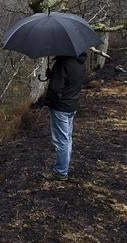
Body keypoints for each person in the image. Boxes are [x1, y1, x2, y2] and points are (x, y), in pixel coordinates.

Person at [43, 52, 87, 181]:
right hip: (72, 105)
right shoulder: (80, 63)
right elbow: (70, 82)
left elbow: (56, 89)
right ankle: (63, 168)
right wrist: (53, 75)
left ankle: (61, 172)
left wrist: (49, 101)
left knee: (61, 140)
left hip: (60, 107)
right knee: (67, 138)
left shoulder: (63, 63)